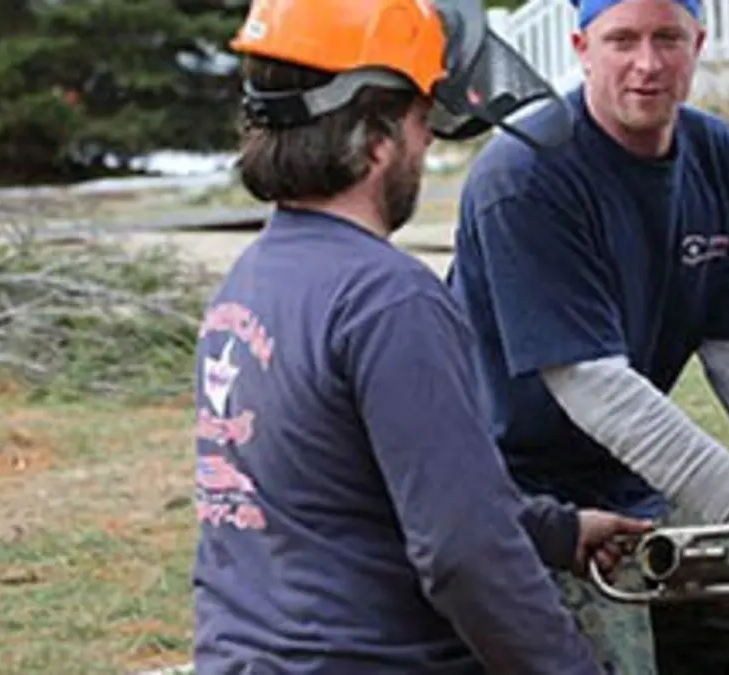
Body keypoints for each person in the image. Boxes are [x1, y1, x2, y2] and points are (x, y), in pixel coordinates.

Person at [190, 0, 654, 673]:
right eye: (419, 120)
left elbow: (344, 496)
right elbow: (467, 554)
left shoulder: (247, 285)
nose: (426, 141)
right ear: (375, 139)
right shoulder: (388, 299)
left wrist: (556, 530)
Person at [443, 0, 729, 671]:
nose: (647, 63)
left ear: (698, 43)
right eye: (623, 40)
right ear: (581, 48)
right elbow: (591, 383)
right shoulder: (526, 173)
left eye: (668, 38)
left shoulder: (718, 155)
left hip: (634, 489)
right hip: (518, 505)